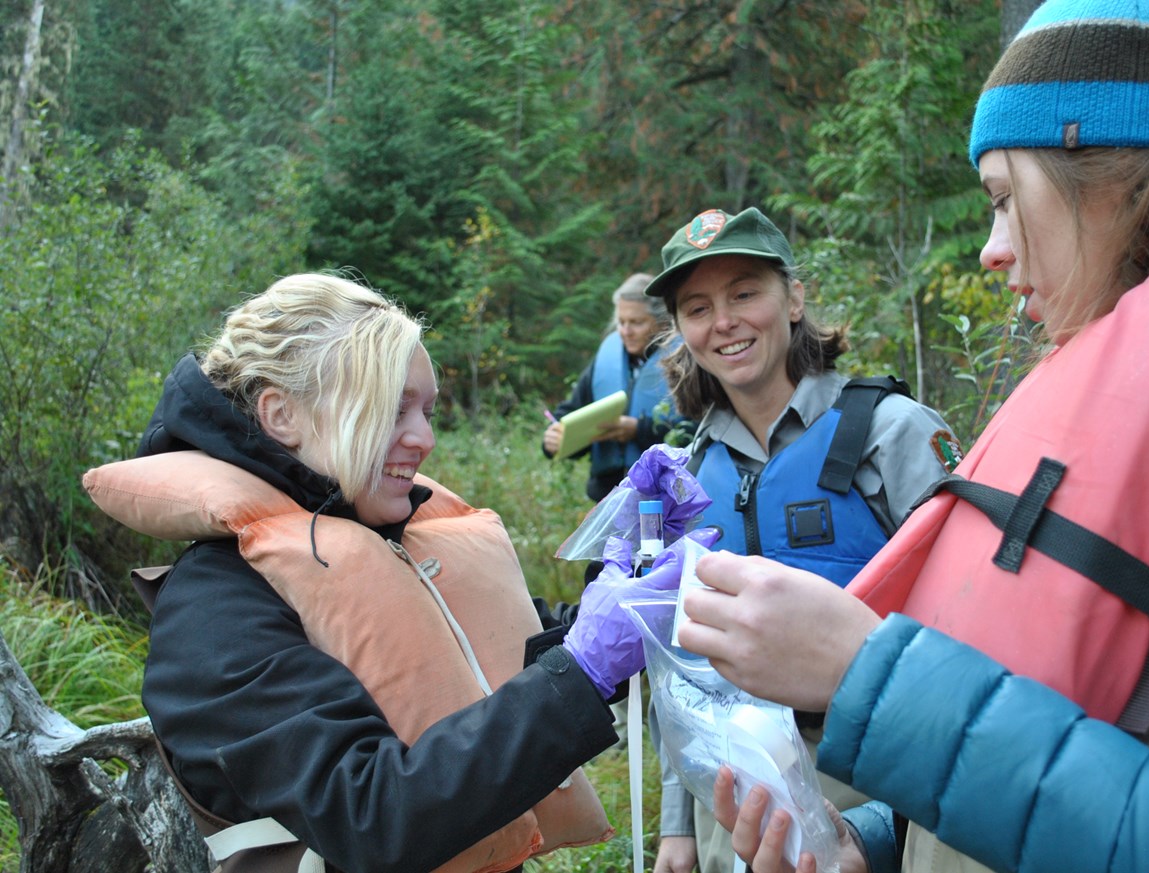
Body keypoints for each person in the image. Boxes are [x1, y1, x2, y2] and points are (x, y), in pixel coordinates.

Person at [666, 2, 1149, 872]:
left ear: (1116, 176)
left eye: (1005, 200)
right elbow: (1051, 730)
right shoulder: (1086, 404)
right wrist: (873, 847)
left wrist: (866, 676)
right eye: (695, 308)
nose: (991, 250)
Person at [81, 273, 705, 873]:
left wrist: (635, 567)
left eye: (427, 411)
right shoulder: (213, 608)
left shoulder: (388, 543)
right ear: (281, 415)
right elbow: (369, 814)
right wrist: (586, 666)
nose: (424, 438)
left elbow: (530, 653)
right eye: (393, 409)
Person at [639, 207, 961, 873]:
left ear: (794, 299)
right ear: (680, 331)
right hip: (732, 802)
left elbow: (971, 625)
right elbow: (677, 662)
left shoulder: (888, 432)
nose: (723, 321)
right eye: (697, 307)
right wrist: (678, 821)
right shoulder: (684, 477)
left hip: (878, 783)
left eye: (745, 293)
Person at [543, 272, 684, 503]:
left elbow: (696, 428)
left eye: (636, 323)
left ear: (662, 322)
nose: (625, 331)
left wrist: (640, 430)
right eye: (621, 322)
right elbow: (570, 410)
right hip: (607, 497)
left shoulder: (682, 360)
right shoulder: (608, 357)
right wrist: (554, 438)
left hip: (664, 497)